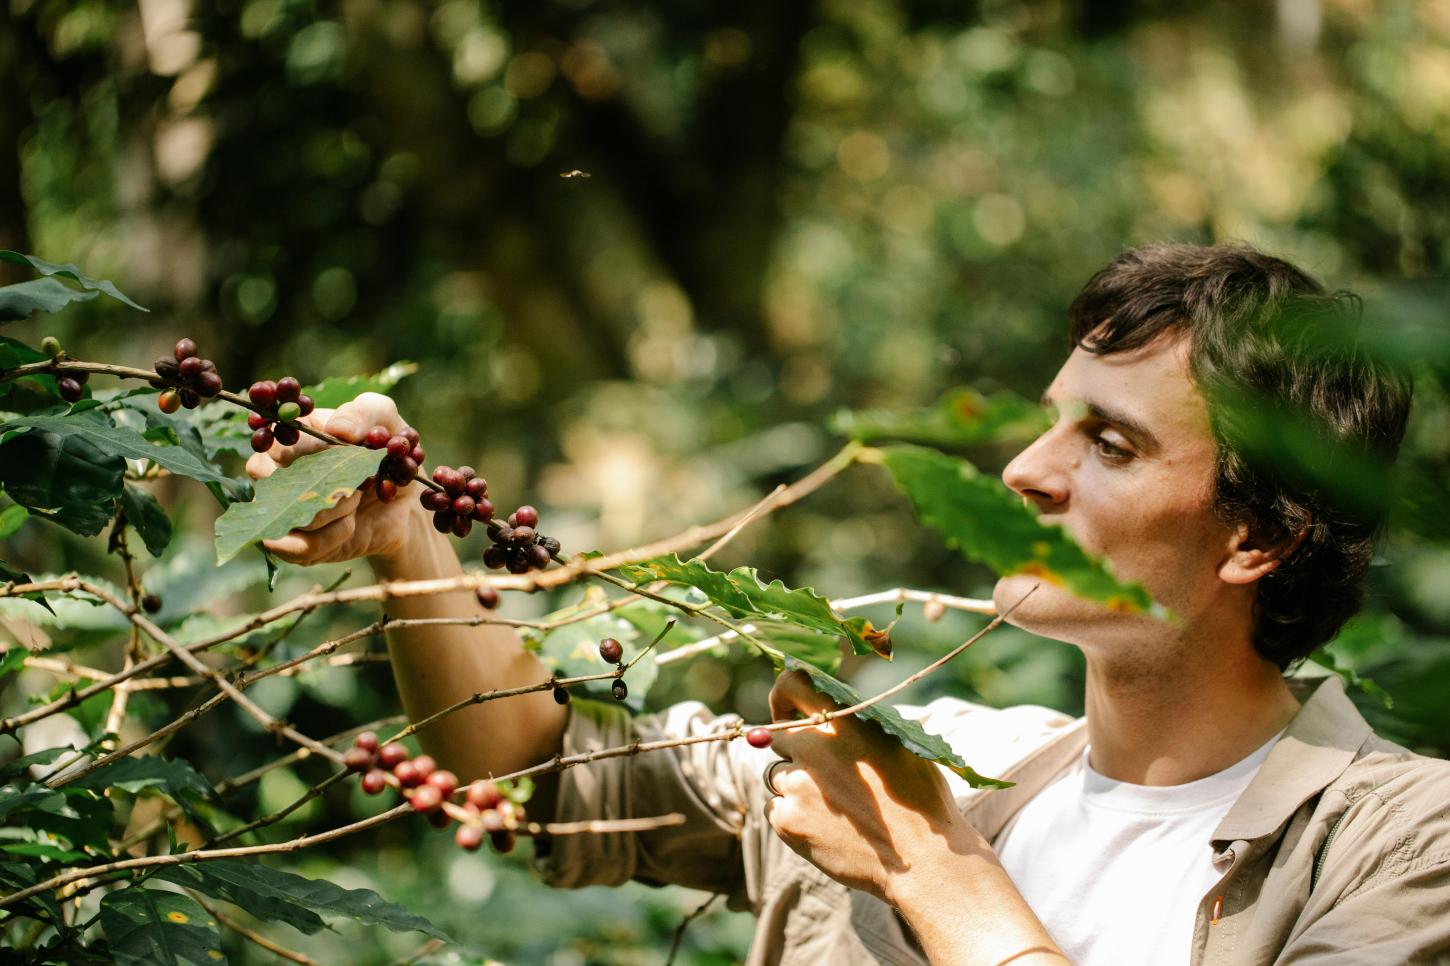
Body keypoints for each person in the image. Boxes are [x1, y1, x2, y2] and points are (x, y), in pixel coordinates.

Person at [248, 243, 1450, 965]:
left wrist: (935, 876)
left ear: (1259, 536)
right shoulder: (952, 763)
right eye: (1051, 417)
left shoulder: (1406, 844)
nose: (1025, 469)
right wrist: (403, 538)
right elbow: (542, 778)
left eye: (1113, 445)